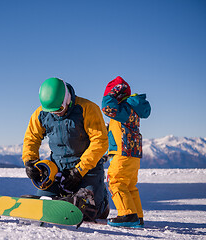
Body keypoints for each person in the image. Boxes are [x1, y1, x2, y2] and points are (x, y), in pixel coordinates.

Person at [22, 77, 109, 221]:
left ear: (67, 99)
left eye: (59, 109)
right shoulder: (41, 113)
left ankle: (102, 201)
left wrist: (78, 171)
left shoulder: (87, 108)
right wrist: (30, 161)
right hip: (57, 169)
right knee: (44, 208)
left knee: (87, 212)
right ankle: (64, 196)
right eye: (52, 111)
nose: (56, 113)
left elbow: (99, 142)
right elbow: (32, 138)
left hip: (87, 169)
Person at [101, 76, 151, 228]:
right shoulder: (131, 110)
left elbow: (106, 107)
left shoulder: (124, 108)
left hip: (123, 154)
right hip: (132, 155)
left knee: (116, 182)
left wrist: (110, 95)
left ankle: (127, 214)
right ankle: (137, 216)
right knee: (129, 186)